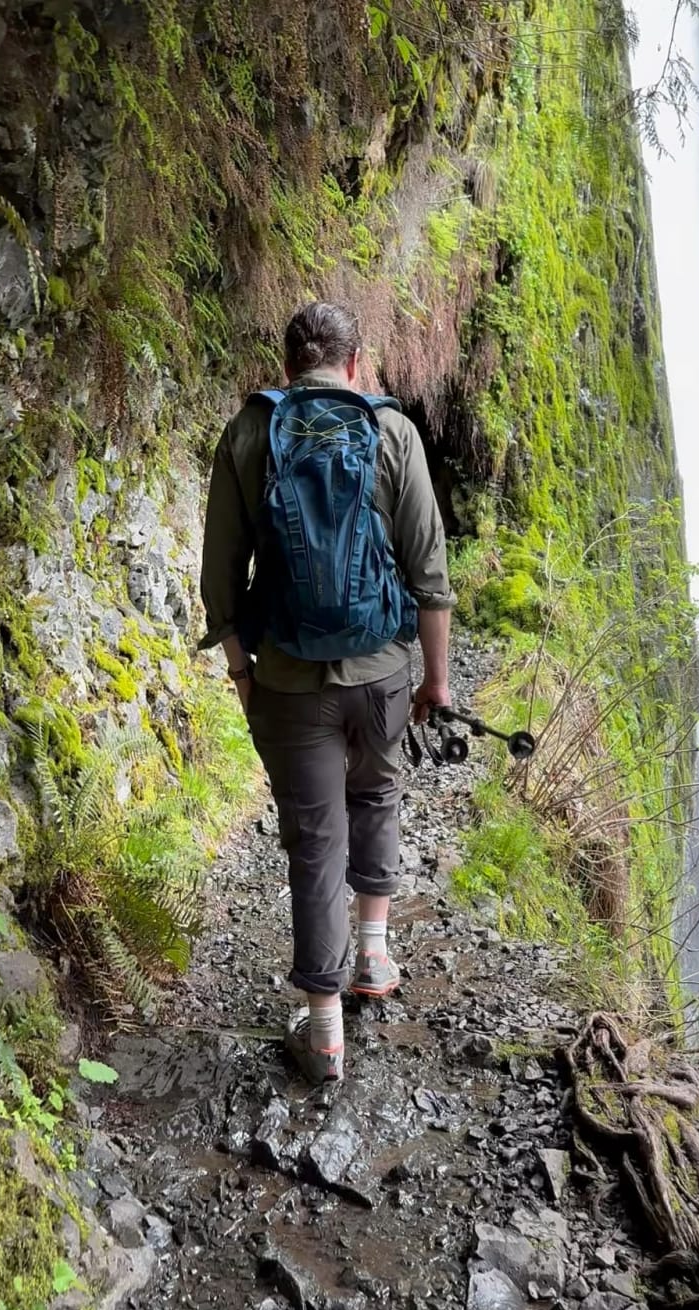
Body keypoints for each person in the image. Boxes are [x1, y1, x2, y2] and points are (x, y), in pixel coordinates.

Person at [198, 301, 453, 1084]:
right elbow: (430, 574)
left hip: (284, 678)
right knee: (377, 795)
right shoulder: (392, 433)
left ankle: (324, 1031)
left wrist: (243, 671)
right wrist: (436, 682)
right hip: (381, 673)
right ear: (353, 365)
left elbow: (218, 581)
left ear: (287, 367)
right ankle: (373, 957)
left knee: (313, 843)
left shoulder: (248, 434)